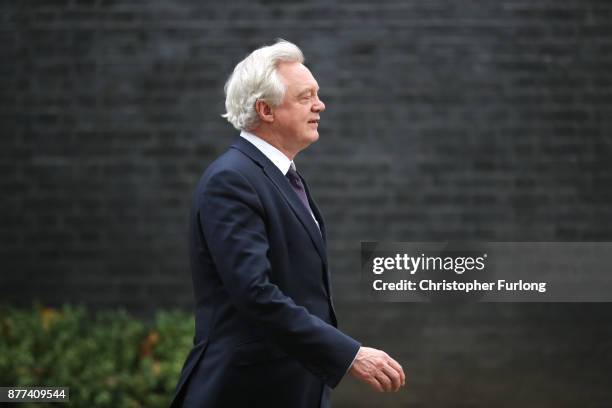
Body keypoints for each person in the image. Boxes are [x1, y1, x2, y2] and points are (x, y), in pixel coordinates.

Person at [170, 39, 405, 408]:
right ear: (266, 109)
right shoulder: (231, 180)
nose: (320, 105)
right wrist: (349, 354)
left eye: (318, 94)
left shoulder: (277, 175)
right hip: (244, 391)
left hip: (292, 387)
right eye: (305, 96)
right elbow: (255, 294)